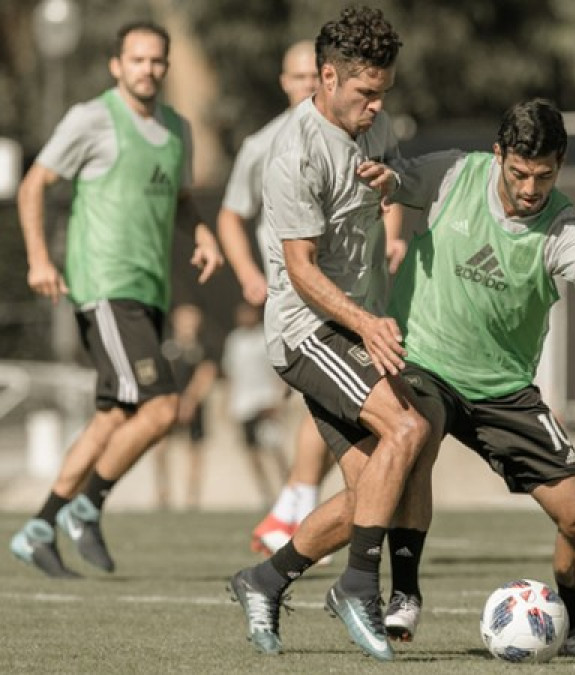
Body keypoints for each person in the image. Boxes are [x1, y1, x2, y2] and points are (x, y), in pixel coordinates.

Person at [251, 99, 575, 659]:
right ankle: (403, 591)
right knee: (410, 437)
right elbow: (400, 178)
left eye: (544, 176)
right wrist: (386, 179)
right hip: (421, 361)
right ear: (499, 155)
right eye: (520, 173)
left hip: (504, 388)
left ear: (561, 165)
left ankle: (574, 624)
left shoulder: (562, 226)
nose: (531, 188)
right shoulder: (459, 172)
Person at [225, 6, 430, 662]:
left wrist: (394, 182)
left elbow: (408, 186)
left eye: (383, 94)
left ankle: (265, 578)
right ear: (327, 77)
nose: (375, 107)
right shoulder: (292, 153)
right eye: (365, 93)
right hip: (308, 329)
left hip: (350, 329)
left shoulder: (379, 127)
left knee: (371, 486)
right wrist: (368, 322)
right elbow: (300, 270)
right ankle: (358, 587)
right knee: (406, 428)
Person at [10, 20, 223, 578]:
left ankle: (39, 527)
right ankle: (87, 507)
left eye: (157, 61)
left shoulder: (178, 129)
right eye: (137, 60)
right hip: (105, 285)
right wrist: (38, 259)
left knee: (111, 417)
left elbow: (179, 198)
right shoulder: (92, 118)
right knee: (161, 409)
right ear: (116, 65)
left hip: (148, 290)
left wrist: (200, 231)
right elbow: (33, 183)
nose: (147, 69)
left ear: (166, 67)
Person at [215, 39, 405, 557]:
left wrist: (393, 232)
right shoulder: (272, 147)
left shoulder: (368, 124)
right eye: (297, 77)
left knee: (379, 460)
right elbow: (232, 216)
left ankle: (285, 546)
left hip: (359, 303)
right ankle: (297, 505)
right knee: (398, 427)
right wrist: (248, 273)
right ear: (297, 81)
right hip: (306, 307)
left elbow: (390, 187)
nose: (305, 86)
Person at [220, 302, 290, 504]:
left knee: (275, 448)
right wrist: (227, 403)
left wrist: (278, 401)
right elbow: (231, 374)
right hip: (243, 405)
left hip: (265, 402)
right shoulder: (234, 340)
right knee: (252, 452)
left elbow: (278, 372)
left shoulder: (265, 337)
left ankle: (289, 490)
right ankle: (266, 494)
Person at [153, 303, 219, 510]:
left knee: (195, 451)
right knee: (160, 449)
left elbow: (207, 374)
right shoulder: (167, 346)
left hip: (195, 406)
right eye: (183, 318)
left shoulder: (204, 346)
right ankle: (163, 493)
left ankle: (192, 497)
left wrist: (190, 400)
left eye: (192, 318)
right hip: (168, 404)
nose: (188, 322)